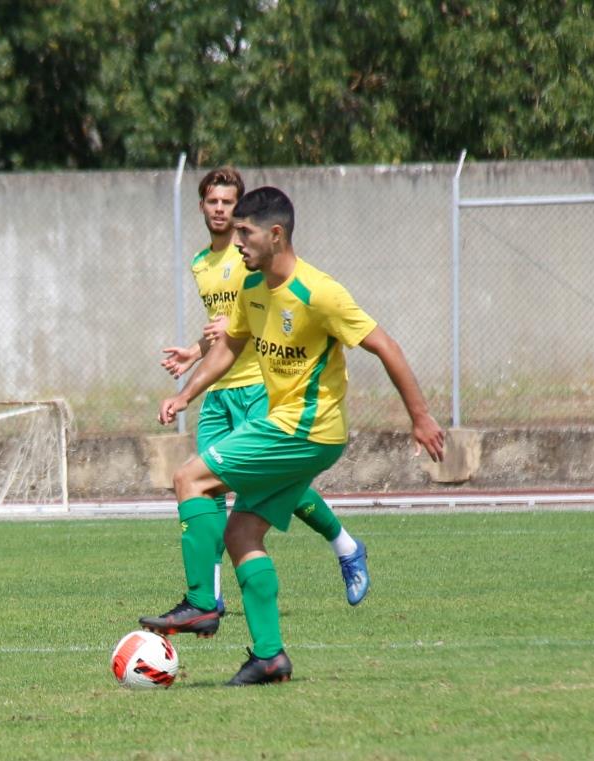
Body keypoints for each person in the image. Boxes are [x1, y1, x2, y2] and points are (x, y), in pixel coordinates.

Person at [146, 186, 445, 686]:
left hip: (306, 429)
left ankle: (201, 602)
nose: (236, 240)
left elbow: (384, 345)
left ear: (276, 233)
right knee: (242, 533)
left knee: (190, 480)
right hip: (291, 428)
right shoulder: (252, 286)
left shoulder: (318, 292)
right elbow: (230, 348)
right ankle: (269, 657)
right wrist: (187, 393)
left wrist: (421, 417)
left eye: (246, 232)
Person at [140, 169, 370, 643]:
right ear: (202, 207)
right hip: (221, 392)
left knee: (226, 485)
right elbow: (227, 333)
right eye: (213, 201)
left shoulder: (258, 263)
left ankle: (341, 544)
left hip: (263, 393)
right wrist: (192, 360)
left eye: (231, 203)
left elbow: (256, 328)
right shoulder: (203, 264)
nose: (222, 211)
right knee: (221, 504)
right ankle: (230, 616)